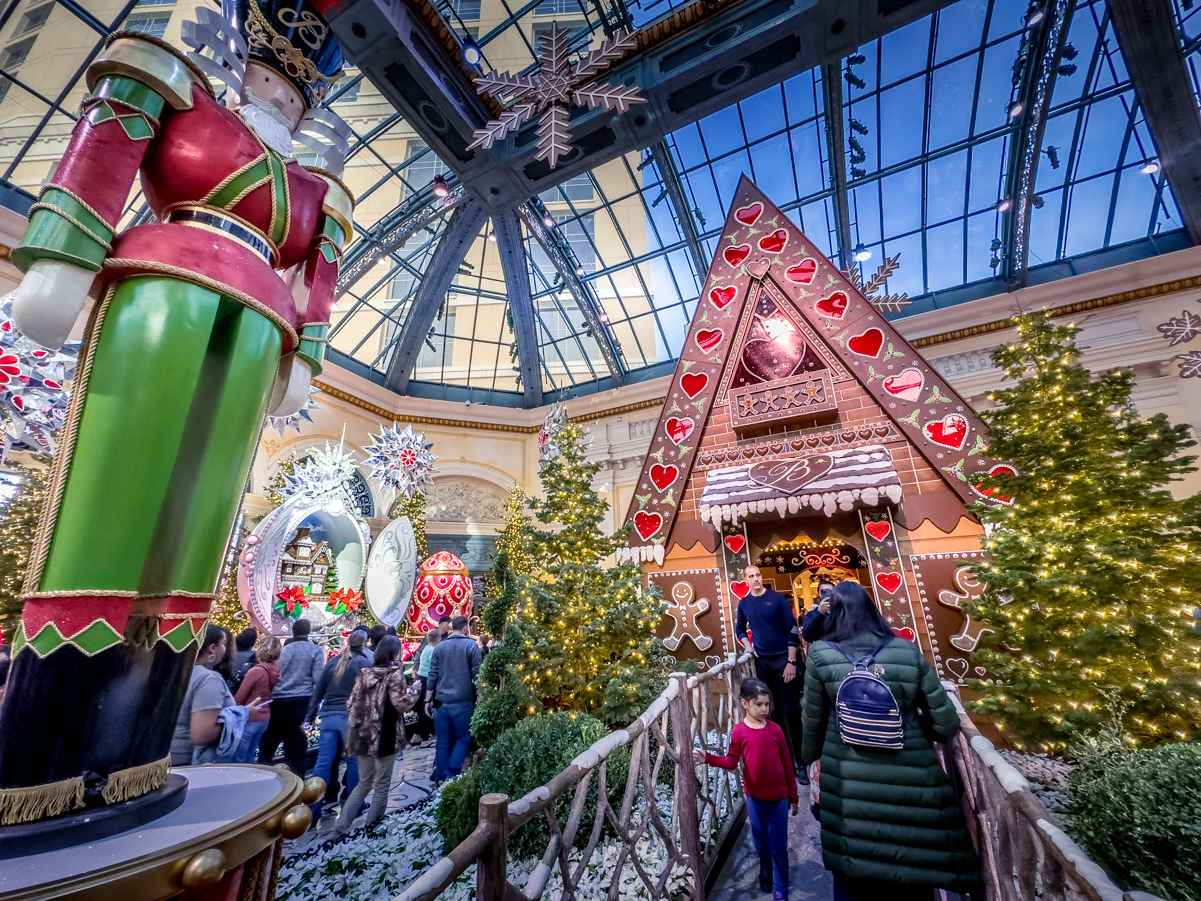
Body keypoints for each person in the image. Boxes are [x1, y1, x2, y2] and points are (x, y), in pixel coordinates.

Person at [801, 581, 978, 900]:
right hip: (915, 784)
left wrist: (811, 760)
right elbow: (945, 720)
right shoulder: (905, 650)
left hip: (848, 784)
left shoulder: (822, 656)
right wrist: (911, 728)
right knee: (916, 876)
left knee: (854, 877)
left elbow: (812, 720)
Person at [694, 679, 797, 901]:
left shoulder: (776, 730)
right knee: (761, 841)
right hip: (755, 799)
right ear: (745, 704)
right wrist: (708, 758)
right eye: (759, 704)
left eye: (767, 704)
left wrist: (793, 795)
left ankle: (781, 886)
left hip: (779, 798)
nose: (764, 709)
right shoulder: (739, 732)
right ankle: (765, 870)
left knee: (779, 845)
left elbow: (787, 763)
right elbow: (731, 762)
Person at [336, 636, 415, 834]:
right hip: (385, 735)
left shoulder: (364, 673)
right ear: (394, 653)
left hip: (363, 735)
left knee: (364, 783)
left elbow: (351, 704)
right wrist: (416, 690)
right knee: (382, 784)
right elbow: (402, 703)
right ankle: (372, 827)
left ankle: (341, 827)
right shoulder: (394, 674)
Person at [735, 564, 805, 780]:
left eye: (757, 575)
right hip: (763, 663)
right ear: (745, 580)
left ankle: (802, 764)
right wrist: (747, 645)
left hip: (784, 659)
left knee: (791, 711)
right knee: (771, 713)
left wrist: (791, 661)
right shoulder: (744, 604)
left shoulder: (777, 600)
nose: (755, 579)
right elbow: (739, 628)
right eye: (751, 576)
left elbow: (792, 629)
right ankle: (785, 764)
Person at [172, 626, 268, 765]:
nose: (225, 648)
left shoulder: (173, 672)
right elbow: (202, 734)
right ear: (212, 648)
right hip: (192, 765)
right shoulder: (209, 679)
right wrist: (243, 715)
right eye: (223, 643)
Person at [307, 629, 372, 821]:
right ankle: (354, 804)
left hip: (328, 717)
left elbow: (318, 692)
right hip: (351, 718)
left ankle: (313, 808)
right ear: (364, 644)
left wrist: (310, 717)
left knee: (323, 763)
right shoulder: (364, 663)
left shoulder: (333, 663)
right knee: (354, 762)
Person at [259, 618, 324, 774]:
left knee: (272, 738)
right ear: (308, 632)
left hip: (279, 700)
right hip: (301, 701)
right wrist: (314, 706)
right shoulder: (315, 651)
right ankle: (295, 778)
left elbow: (276, 673)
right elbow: (318, 679)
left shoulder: (284, 650)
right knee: (295, 742)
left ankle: (262, 770)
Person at [428, 616, 481, 783]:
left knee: (443, 741)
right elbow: (477, 674)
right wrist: (479, 695)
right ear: (465, 628)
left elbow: (433, 674)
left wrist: (427, 699)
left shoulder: (439, 648)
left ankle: (441, 775)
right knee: (464, 737)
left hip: (442, 702)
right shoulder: (471, 646)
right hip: (463, 701)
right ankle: (451, 773)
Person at [233, 636, 281, 763]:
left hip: (250, 717)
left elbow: (240, 697)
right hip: (264, 718)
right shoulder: (275, 670)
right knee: (251, 756)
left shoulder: (256, 671)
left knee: (239, 760)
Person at [409, 628, 441, 744]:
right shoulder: (433, 651)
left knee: (423, 707)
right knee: (426, 708)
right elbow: (435, 668)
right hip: (428, 679)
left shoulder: (426, 648)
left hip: (421, 678)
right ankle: (419, 734)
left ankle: (425, 733)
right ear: (438, 639)